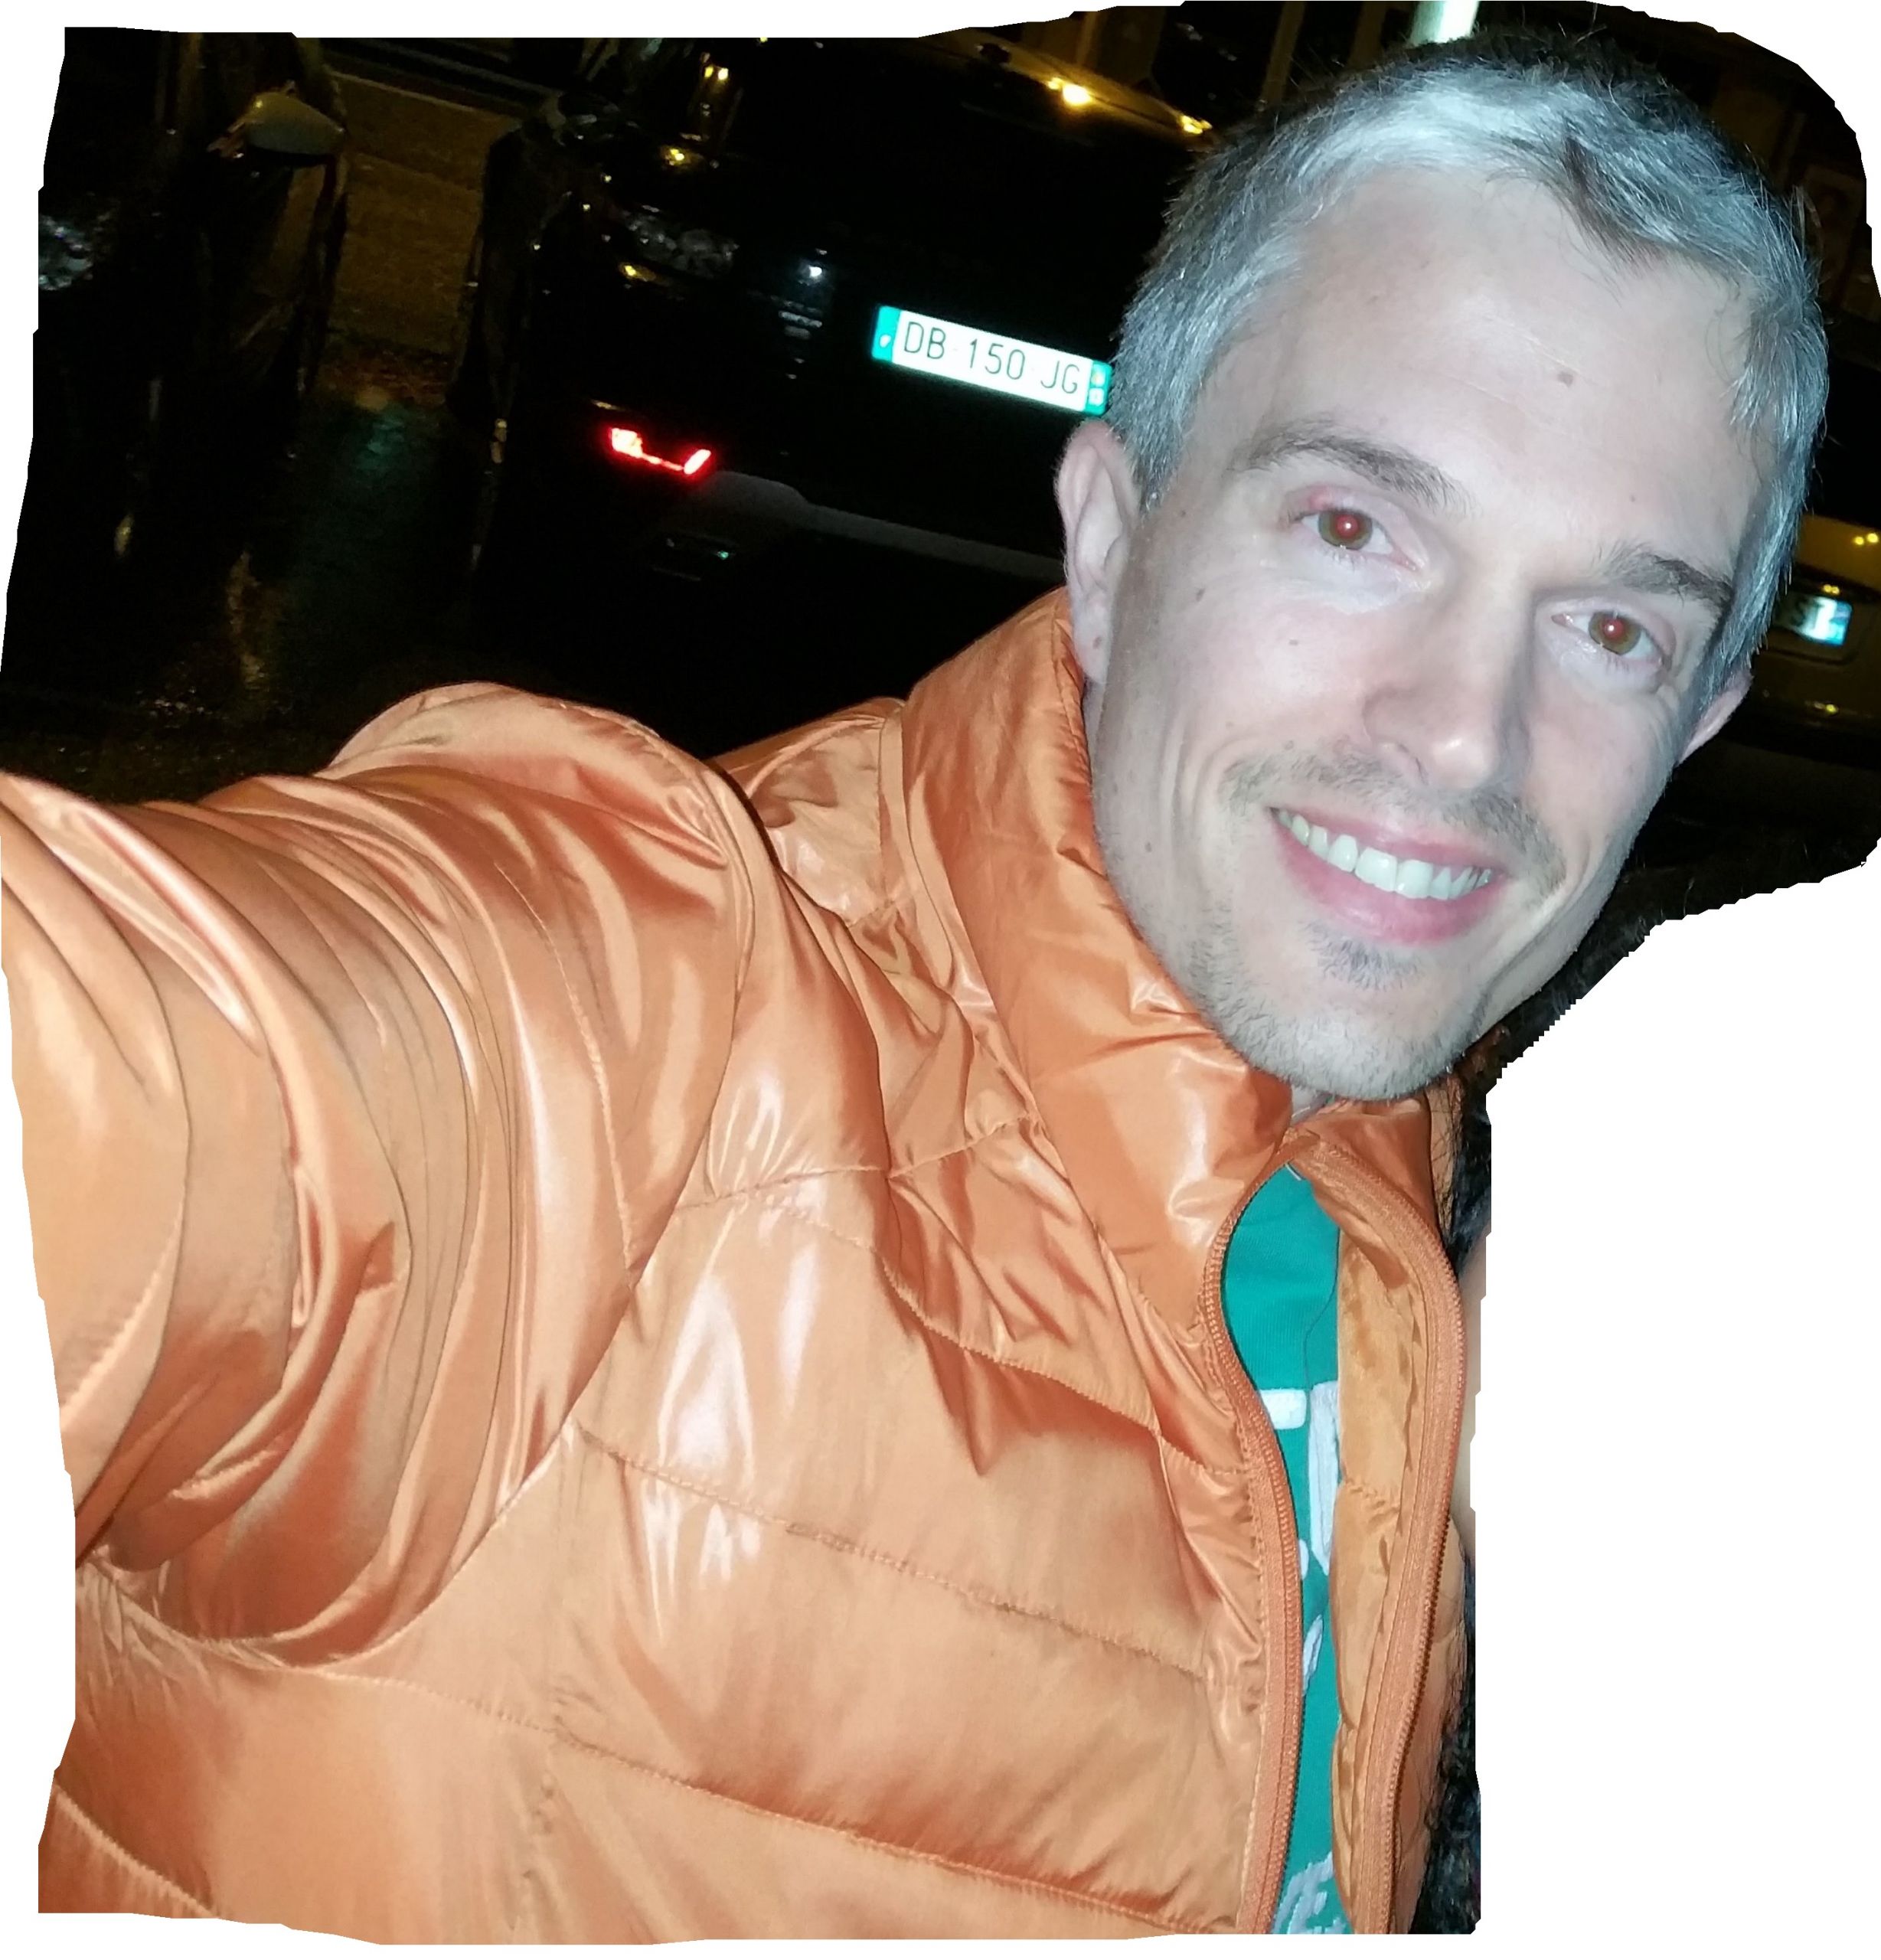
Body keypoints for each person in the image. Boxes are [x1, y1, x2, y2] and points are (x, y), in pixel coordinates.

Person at [0, 31, 1826, 1939]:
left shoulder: (1434, 1173)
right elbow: (145, 1055)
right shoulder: (637, 1014)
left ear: (1698, 713)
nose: (1462, 737)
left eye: (1607, 628)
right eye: (1354, 529)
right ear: (1108, 539)